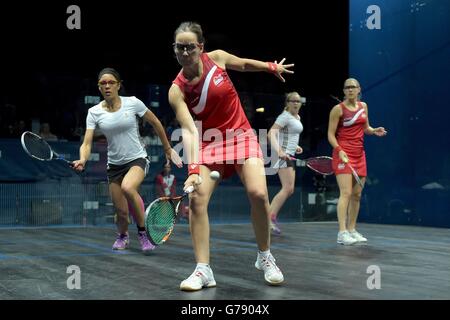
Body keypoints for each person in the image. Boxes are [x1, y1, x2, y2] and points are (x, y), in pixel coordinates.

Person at [168, 21, 294, 291]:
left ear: (201, 47)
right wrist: (192, 168)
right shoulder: (176, 90)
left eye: (190, 46)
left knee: (259, 194)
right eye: (180, 47)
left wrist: (270, 67)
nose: (185, 52)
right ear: (175, 50)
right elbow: (189, 130)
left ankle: (265, 256)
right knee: (197, 199)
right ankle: (203, 270)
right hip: (208, 143)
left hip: (241, 136)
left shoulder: (217, 59)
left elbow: (245, 64)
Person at [72, 67, 182, 251]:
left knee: (128, 187)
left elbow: (155, 122)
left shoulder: (133, 103)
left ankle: (143, 233)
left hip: (137, 159)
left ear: (119, 85)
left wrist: (168, 149)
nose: (107, 86)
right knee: (121, 213)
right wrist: (82, 159)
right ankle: (123, 236)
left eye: (111, 82)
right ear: (99, 87)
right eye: (103, 83)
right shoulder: (94, 112)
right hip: (114, 165)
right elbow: (86, 142)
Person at [327, 78, 387, 245]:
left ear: (359, 89)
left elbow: (365, 127)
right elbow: (330, 135)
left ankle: (352, 229)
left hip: (360, 155)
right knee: (345, 193)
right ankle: (342, 232)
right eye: (347, 87)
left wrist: (374, 130)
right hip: (343, 154)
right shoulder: (338, 110)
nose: (350, 90)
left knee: (357, 195)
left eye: (353, 87)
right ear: (344, 90)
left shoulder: (364, 106)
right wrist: (340, 151)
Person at [268, 92, 304, 235]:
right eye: (293, 101)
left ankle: (269, 217)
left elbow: (288, 135)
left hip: (289, 155)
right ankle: (269, 218)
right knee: (287, 188)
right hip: (282, 156)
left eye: (298, 101)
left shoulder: (297, 117)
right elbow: (271, 133)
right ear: (287, 103)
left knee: (289, 189)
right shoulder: (284, 117)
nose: (296, 103)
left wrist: (296, 147)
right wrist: (280, 151)